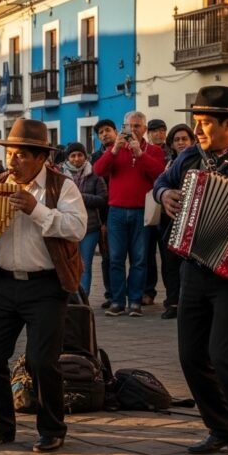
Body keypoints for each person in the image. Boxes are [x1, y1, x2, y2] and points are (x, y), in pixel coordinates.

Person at [0, 119, 87, 452]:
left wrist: (36, 210)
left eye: (20, 155)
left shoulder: (62, 187)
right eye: (9, 154)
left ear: (41, 158)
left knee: (42, 360)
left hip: (46, 285)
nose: (12, 162)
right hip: (2, 283)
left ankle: (52, 428)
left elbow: (77, 228)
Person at [154, 86, 228, 455]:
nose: (196, 130)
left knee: (226, 356)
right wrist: (164, 195)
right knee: (190, 355)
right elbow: (161, 183)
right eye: (196, 122)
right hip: (195, 266)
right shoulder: (190, 157)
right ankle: (222, 428)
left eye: (204, 123)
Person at [93, 111, 165, 317]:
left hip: (142, 211)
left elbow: (159, 173)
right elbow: (98, 170)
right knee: (116, 259)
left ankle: (135, 301)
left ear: (144, 129)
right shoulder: (114, 149)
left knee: (139, 260)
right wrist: (115, 150)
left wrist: (140, 154)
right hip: (116, 211)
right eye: (129, 126)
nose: (132, 130)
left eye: (137, 126)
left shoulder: (153, 150)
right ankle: (117, 301)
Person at [158, 124, 196, 320]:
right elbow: (160, 184)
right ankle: (172, 301)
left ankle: (188, 301)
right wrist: (164, 193)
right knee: (170, 263)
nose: (181, 143)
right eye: (177, 140)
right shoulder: (169, 164)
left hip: (193, 220)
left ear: (192, 141)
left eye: (185, 139)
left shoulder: (197, 160)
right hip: (170, 220)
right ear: (171, 144)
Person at [59, 142, 107, 296]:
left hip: (90, 228)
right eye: (73, 155)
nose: (76, 159)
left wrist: (80, 197)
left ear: (85, 157)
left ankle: (83, 298)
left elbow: (102, 199)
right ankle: (70, 297)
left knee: (85, 264)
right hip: (67, 227)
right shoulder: (60, 175)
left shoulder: (95, 174)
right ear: (67, 158)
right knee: (68, 264)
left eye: (80, 155)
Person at [90, 118, 117, 309]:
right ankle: (111, 294)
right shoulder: (96, 157)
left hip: (124, 206)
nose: (104, 134)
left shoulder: (125, 151)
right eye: (100, 132)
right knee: (108, 257)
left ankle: (139, 293)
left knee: (136, 257)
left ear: (115, 131)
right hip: (104, 213)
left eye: (107, 130)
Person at [142, 118, 169, 306]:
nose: (159, 134)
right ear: (148, 133)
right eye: (154, 131)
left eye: (161, 130)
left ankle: (172, 294)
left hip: (166, 208)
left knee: (168, 255)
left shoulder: (171, 152)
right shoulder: (144, 151)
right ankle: (148, 291)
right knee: (147, 253)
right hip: (148, 206)